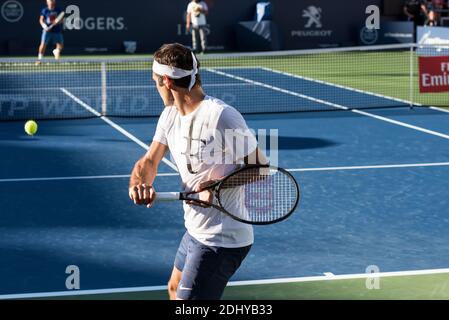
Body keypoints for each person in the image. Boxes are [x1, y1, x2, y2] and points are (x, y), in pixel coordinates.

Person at [129, 43, 265, 300]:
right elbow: (149, 162)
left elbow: (261, 168)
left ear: (167, 82)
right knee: (173, 288)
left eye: (155, 81)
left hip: (222, 239)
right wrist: (139, 185)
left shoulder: (221, 116)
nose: (155, 86)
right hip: (195, 231)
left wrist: (217, 187)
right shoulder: (170, 116)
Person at [36, 0, 64, 65]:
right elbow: (41, 20)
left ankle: (56, 51)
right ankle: (39, 59)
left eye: (52, 1)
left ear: (54, 2)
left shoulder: (58, 10)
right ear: (47, 2)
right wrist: (45, 26)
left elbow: (61, 20)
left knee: (60, 45)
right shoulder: (44, 10)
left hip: (57, 30)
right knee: (43, 44)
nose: (51, 3)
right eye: (49, 1)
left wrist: (57, 22)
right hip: (46, 31)